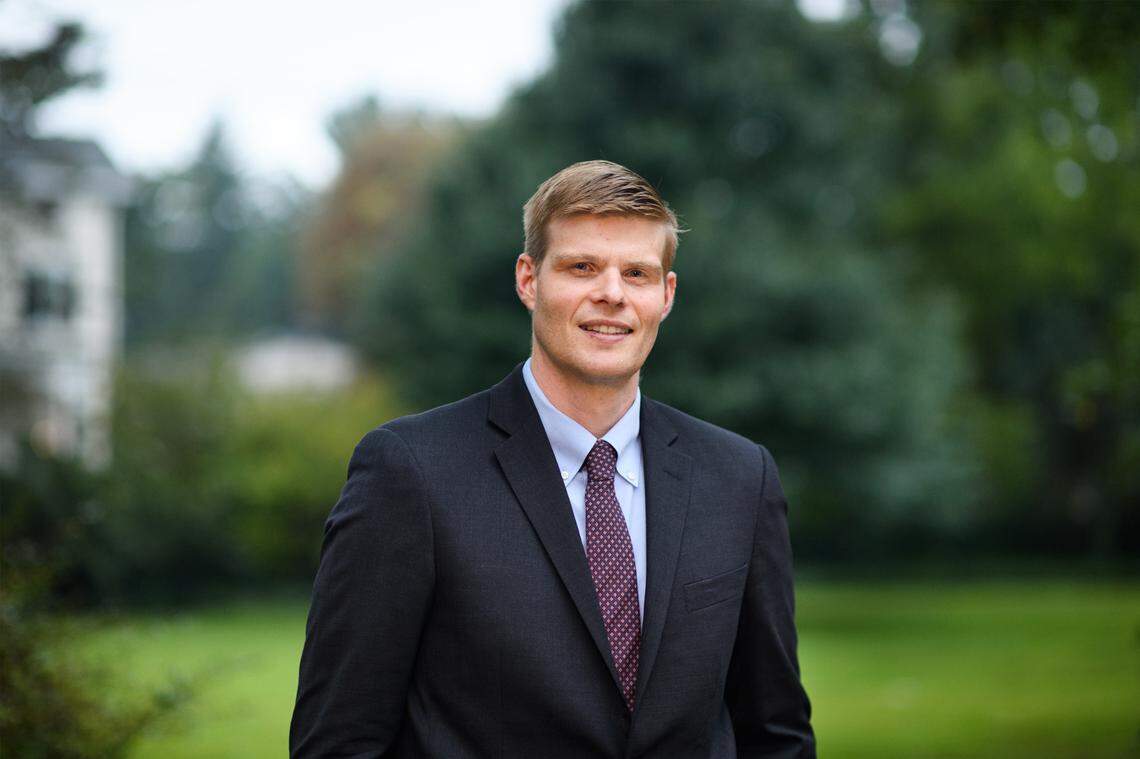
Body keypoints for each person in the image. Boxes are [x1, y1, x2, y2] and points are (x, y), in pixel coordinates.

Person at [290, 160, 815, 758]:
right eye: (582, 267)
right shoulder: (411, 472)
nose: (611, 294)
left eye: (637, 273)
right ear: (528, 279)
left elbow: (776, 735)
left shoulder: (739, 477)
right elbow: (338, 741)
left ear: (665, 296)